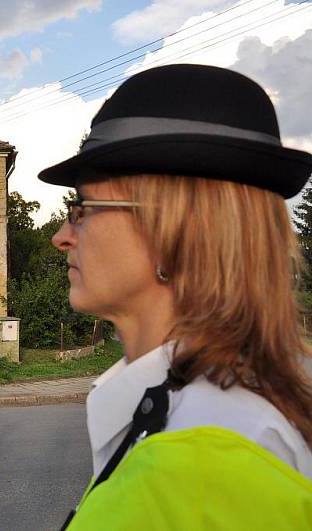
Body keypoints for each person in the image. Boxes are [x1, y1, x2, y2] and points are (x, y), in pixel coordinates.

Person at [38, 64, 312, 530]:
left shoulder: (198, 468)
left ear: (171, 234)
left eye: (81, 208)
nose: (61, 236)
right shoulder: (241, 409)